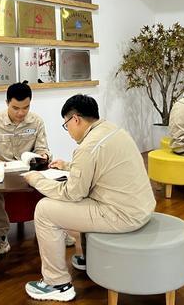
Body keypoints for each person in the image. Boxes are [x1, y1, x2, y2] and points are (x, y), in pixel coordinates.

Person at [22, 94, 156, 302]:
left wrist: (36, 180)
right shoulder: (112, 130)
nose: (68, 131)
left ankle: (57, 284)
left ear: (75, 119)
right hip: (141, 206)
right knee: (80, 197)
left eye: (66, 125)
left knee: (44, 209)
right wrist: (67, 166)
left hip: (122, 215)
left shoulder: (88, 147)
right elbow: (97, 167)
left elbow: (72, 193)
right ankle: (88, 258)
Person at [0, 81, 51, 261]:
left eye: (26, 107)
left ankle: (54, 228)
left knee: (53, 177)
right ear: (7, 103)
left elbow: (43, 148)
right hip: (3, 173)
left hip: (28, 172)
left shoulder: (36, 122)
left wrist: (43, 156)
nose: (21, 113)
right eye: (16, 108)